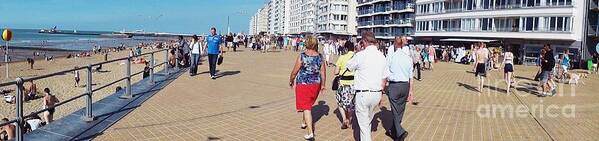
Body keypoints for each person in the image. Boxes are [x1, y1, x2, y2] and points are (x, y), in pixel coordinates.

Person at [346, 31, 388, 141]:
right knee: (367, 122)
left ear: (364, 41)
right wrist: (381, 95)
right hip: (376, 93)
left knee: (364, 126)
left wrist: (358, 51)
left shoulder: (361, 55)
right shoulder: (382, 56)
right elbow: (384, 78)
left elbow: (349, 66)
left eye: (361, 42)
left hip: (363, 94)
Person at [288, 35, 326, 140]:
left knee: (306, 107)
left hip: (303, 84)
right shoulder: (320, 57)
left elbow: (294, 71)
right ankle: (304, 122)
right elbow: (323, 72)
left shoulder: (302, 56)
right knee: (307, 104)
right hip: (315, 84)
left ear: (307, 43)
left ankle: (310, 133)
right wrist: (323, 85)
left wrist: (291, 80)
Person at [384, 36, 413, 140]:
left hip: (394, 85)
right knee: (400, 110)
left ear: (395, 45)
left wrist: (384, 85)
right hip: (405, 86)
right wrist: (411, 91)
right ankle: (392, 130)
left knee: (396, 110)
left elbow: (385, 73)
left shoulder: (391, 57)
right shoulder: (408, 58)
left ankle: (400, 132)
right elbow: (411, 77)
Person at [334, 41, 355, 130]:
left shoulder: (342, 57)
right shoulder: (357, 57)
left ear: (346, 48)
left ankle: (344, 119)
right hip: (353, 84)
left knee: (340, 102)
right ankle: (349, 120)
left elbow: (336, 72)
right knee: (351, 103)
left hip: (343, 84)